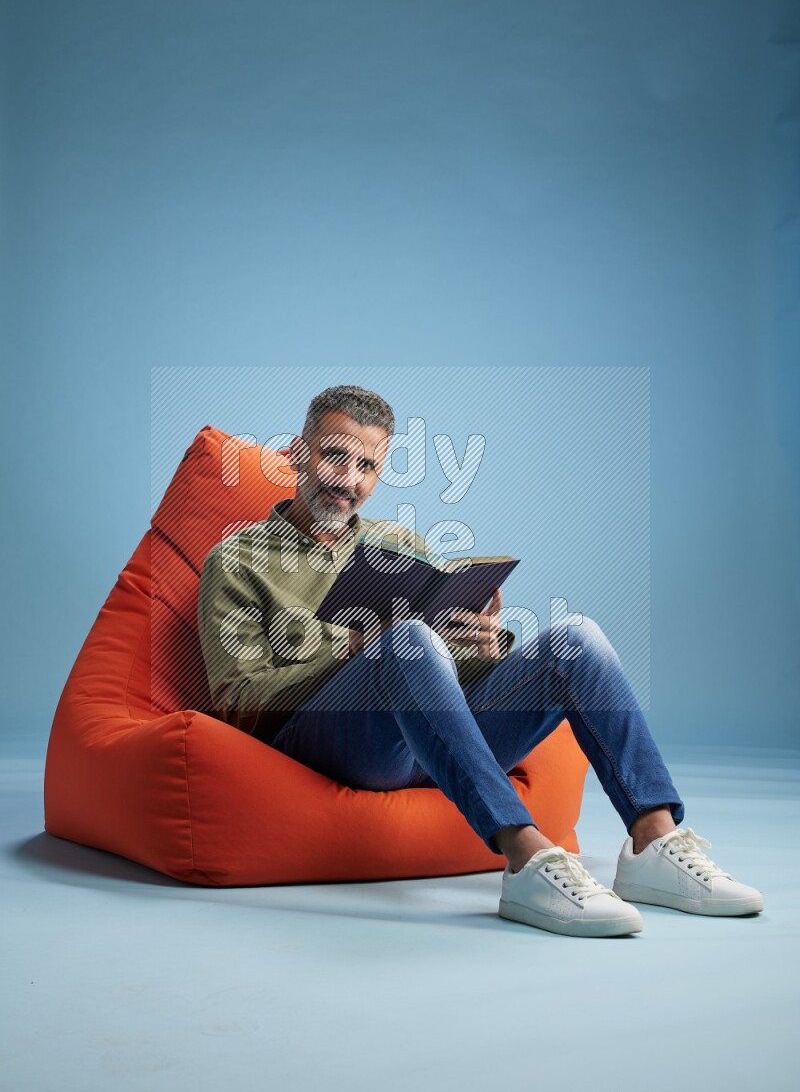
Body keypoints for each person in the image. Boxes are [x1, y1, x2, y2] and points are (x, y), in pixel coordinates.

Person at [198, 384, 764, 938]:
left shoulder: (397, 545)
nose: (350, 481)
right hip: (333, 745)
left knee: (576, 638)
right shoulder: (239, 558)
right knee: (407, 641)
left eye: (367, 466)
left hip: (431, 745)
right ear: (298, 453)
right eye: (334, 456)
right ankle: (526, 859)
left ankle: (653, 841)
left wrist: (483, 651)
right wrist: (357, 648)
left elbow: (433, 672)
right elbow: (237, 701)